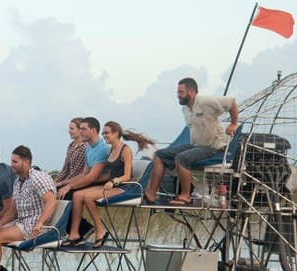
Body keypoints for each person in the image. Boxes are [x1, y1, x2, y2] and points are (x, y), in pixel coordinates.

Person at [144, 77, 239, 205]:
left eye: (181, 92)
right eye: (178, 92)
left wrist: (233, 123)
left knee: (182, 158)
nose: (178, 96)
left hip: (214, 147)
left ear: (192, 92)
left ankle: (185, 196)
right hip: (196, 146)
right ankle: (150, 193)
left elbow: (231, 102)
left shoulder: (206, 101)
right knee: (160, 155)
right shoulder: (185, 109)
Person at [64, 121, 155, 248]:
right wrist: (96, 179)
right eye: (103, 133)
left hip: (125, 187)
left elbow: (127, 175)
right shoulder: (112, 149)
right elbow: (110, 173)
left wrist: (114, 181)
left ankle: (100, 231)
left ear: (116, 133)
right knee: (77, 195)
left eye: (107, 133)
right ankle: (74, 234)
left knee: (88, 197)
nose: (104, 135)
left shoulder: (125, 150)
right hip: (111, 184)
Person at [53, 117, 87, 189]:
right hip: (67, 181)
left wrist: (61, 184)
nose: (69, 131)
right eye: (69, 128)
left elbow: (76, 173)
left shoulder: (84, 148)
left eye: (72, 129)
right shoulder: (71, 145)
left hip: (76, 183)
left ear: (80, 130)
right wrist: (54, 182)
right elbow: (65, 169)